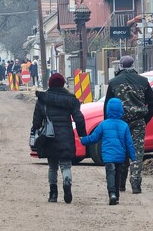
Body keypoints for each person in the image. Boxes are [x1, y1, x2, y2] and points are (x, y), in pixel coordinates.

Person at [104, 55, 153, 194]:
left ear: (120, 67)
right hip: (138, 122)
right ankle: (136, 185)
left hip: (119, 123)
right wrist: (145, 119)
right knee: (137, 153)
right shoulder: (143, 81)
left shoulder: (114, 82)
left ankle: (121, 184)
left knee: (121, 152)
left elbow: (107, 106)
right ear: (134, 65)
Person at [32, 73, 87, 203]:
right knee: (66, 165)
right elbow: (79, 118)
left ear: (50, 84)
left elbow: (37, 121)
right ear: (63, 84)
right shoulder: (70, 100)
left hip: (49, 137)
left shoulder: (43, 99)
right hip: (66, 135)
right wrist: (82, 135)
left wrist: (35, 132)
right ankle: (67, 182)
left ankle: (53, 194)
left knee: (52, 167)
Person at [80, 98, 136, 205]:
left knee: (110, 173)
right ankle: (117, 196)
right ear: (121, 110)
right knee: (117, 175)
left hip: (108, 156)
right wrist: (133, 157)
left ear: (108, 110)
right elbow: (129, 143)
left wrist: (83, 140)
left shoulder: (103, 124)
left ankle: (112, 194)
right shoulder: (124, 125)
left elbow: (94, 137)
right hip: (120, 156)